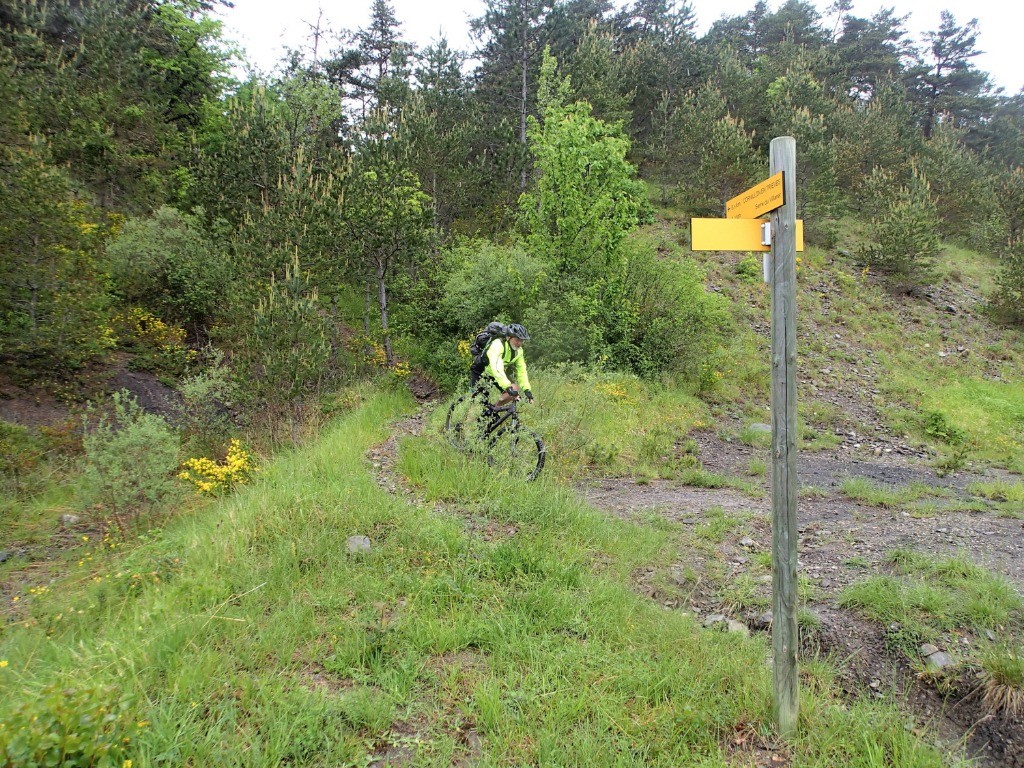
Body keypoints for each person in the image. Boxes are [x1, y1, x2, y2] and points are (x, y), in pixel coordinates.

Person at [470, 323, 536, 409]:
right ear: (508, 337)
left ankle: (493, 410)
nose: (519, 343)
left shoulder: (519, 351)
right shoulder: (497, 345)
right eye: (517, 339)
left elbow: (522, 371)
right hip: (480, 371)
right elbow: (497, 367)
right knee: (478, 402)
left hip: (495, 374)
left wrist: (527, 390)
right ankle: (467, 421)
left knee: (514, 389)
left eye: (522, 340)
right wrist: (507, 386)